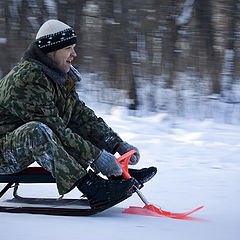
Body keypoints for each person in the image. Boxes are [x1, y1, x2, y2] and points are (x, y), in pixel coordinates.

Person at [0, 19, 156, 208]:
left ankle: (117, 176)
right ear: (51, 50)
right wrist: (97, 157)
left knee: (70, 121)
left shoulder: (56, 76)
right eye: (68, 48)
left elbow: (81, 116)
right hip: (3, 153)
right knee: (38, 131)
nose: (74, 54)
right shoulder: (26, 80)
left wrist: (117, 144)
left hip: (15, 147)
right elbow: (53, 129)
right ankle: (92, 187)